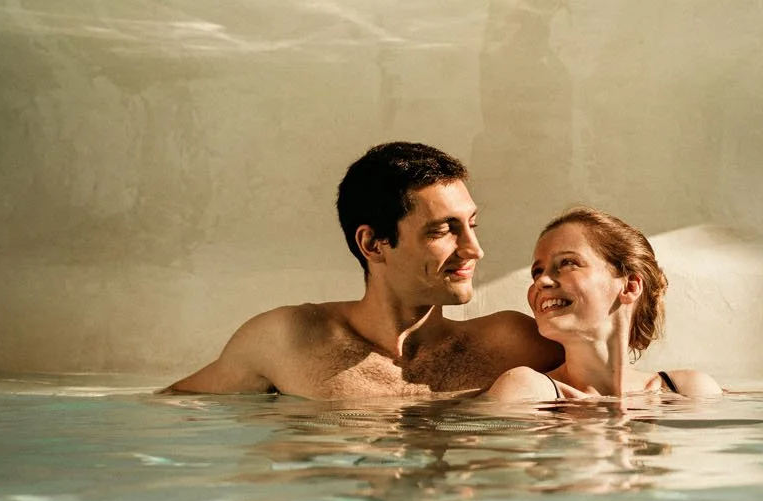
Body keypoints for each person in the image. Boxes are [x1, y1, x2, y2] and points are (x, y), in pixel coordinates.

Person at [165, 142, 561, 398]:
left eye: (471, 225)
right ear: (373, 244)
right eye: (443, 230)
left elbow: (612, 390)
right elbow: (174, 410)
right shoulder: (286, 341)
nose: (474, 249)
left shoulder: (512, 344)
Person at [483, 208, 722, 401]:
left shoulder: (687, 390)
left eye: (567, 263)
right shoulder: (527, 390)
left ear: (629, 287)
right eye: (537, 272)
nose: (541, 281)